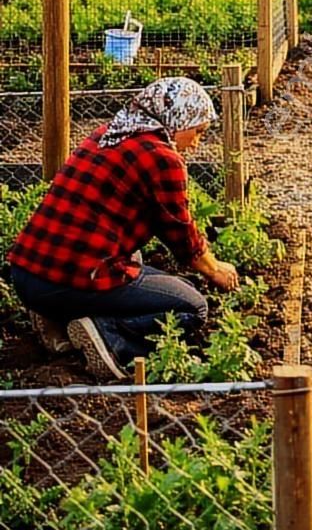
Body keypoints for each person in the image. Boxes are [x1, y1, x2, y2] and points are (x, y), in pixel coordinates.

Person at [8, 78, 239, 381]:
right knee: (193, 306)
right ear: (176, 118)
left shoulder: (112, 132)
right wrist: (215, 270)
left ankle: (55, 316)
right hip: (69, 280)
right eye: (197, 132)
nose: (196, 143)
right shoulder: (162, 158)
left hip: (28, 274)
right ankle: (108, 337)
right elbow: (180, 234)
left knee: (138, 260)